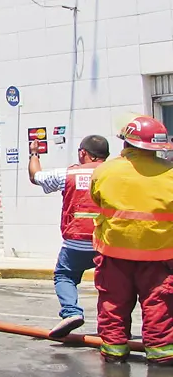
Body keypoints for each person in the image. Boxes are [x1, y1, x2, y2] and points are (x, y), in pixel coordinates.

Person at [90, 115, 173, 364]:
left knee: (113, 303)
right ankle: (161, 354)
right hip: (159, 256)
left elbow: (97, 200)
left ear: (127, 143)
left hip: (114, 253)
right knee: (159, 305)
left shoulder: (104, 171)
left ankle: (114, 351)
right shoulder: (170, 174)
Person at [28, 134, 110, 338]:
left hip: (75, 242)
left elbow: (35, 176)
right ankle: (111, 326)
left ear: (83, 153)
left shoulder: (68, 175)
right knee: (110, 285)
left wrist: (34, 153)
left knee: (64, 276)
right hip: (107, 242)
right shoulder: (116, 174)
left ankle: (72, 312)